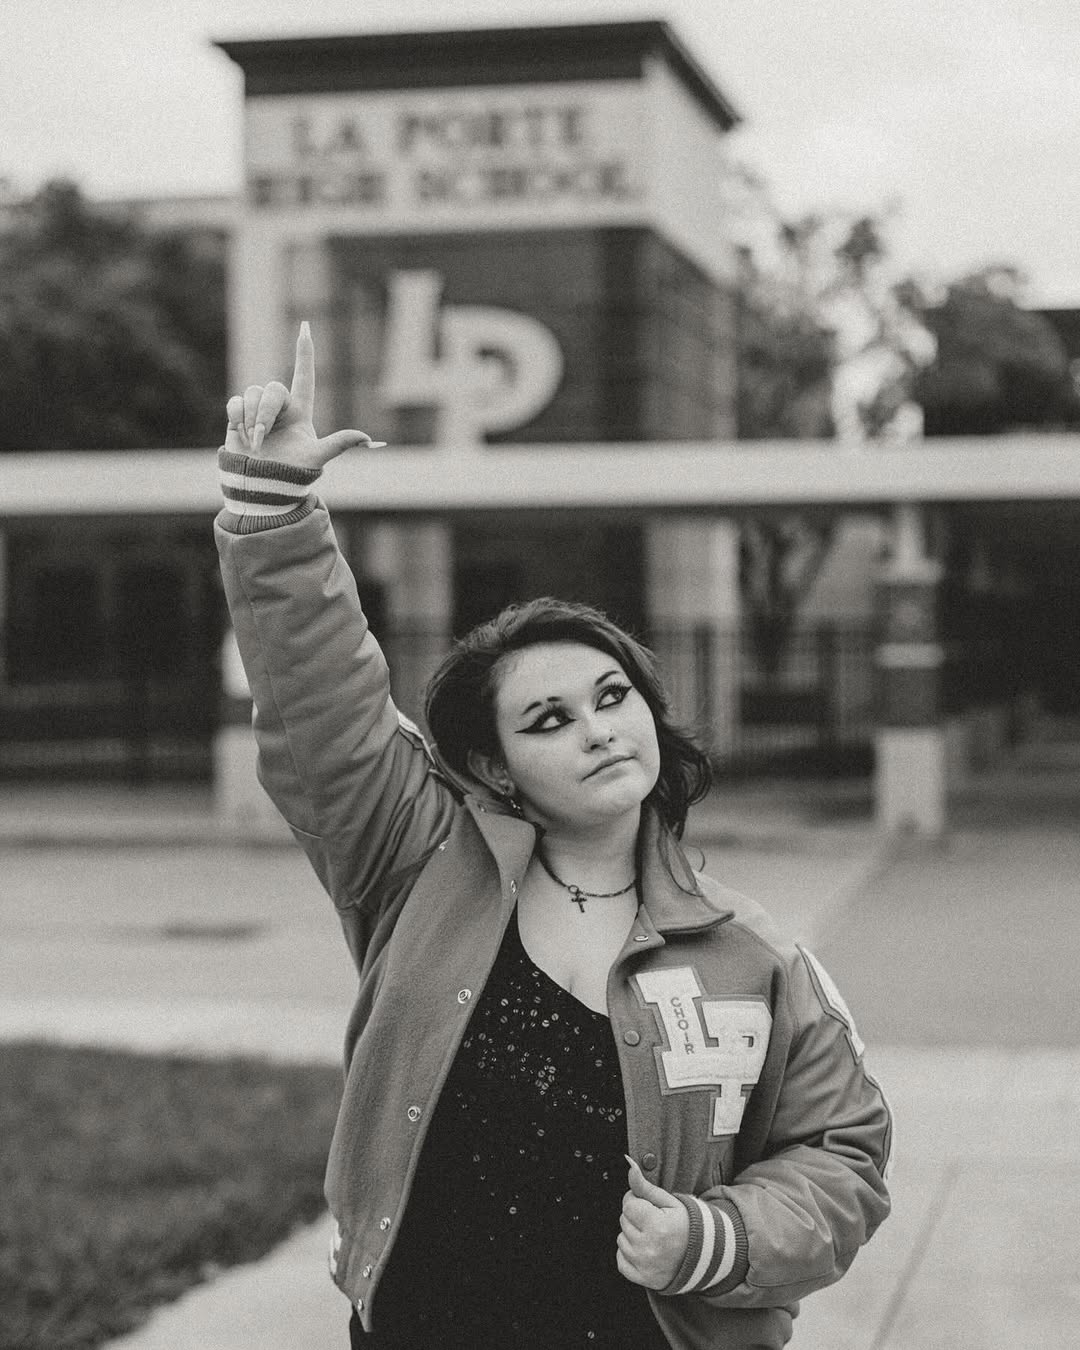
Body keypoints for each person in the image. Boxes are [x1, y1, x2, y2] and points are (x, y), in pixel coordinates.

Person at [215, 324, 893, 1350]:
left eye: (613, 696)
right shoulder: (418, 869)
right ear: (495, 770)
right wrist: (276, 515)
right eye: (548, 720)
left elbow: (842, 1155)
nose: (598, 729)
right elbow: (324, 710)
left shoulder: (752, 954)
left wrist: (715, 1238)